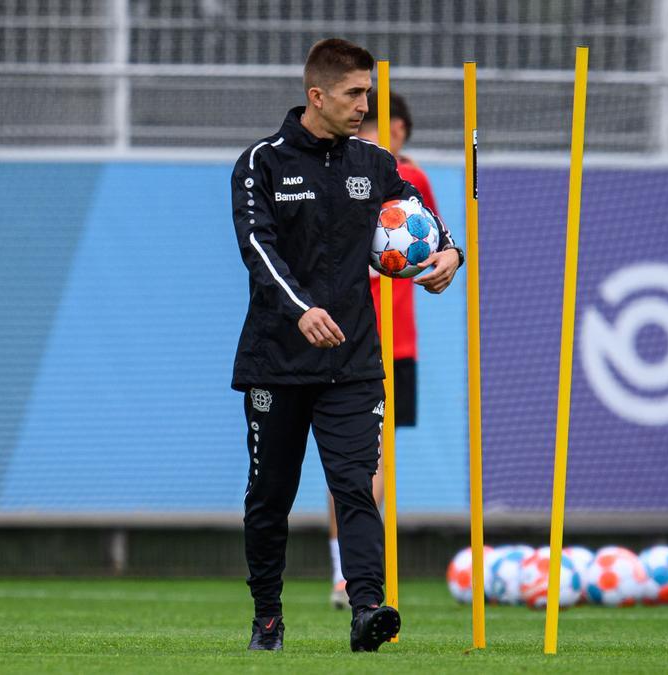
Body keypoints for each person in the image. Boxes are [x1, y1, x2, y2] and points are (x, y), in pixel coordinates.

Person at [230, 38, 461, 651]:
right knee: (269, 497)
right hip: (277, 361)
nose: (366, 104)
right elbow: (258, 251)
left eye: (368, 93)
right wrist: (302, 311)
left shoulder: (374, 163)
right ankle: (268, 619)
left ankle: (365, 610)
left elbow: (426, 221)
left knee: (355, 484)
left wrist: (449, 255)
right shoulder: (261, 163)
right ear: (317, 96)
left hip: (354, 361)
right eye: (355, 94)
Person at [327, 92, 441, 610]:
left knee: (373, 460)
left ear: (396, 128)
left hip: (394, 339)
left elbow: (433, 246)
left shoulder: (409, 179)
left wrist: (444, 258)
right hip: (349, 331)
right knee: (352, 460)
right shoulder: (341, 171)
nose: (363, 133)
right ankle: (347, 572)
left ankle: (351, 572)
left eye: (371, 124)